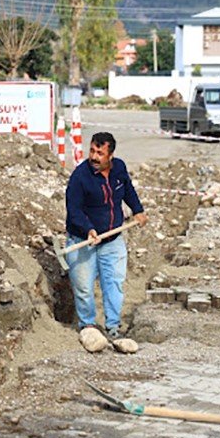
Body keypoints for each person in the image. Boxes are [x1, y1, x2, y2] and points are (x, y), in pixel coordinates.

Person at [65, 132, 147, 341]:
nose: (93, 156)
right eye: (92, 150)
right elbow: (74, 210)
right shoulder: (80, 177)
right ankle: (88, 326)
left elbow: (127, 189)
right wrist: (88, 229)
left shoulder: (118, 168)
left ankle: (112, 326)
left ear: (110, 155)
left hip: (112, 239)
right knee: (83, 287)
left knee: (114, 283)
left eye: (99, 153)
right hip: (83, 241)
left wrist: (137, 210)